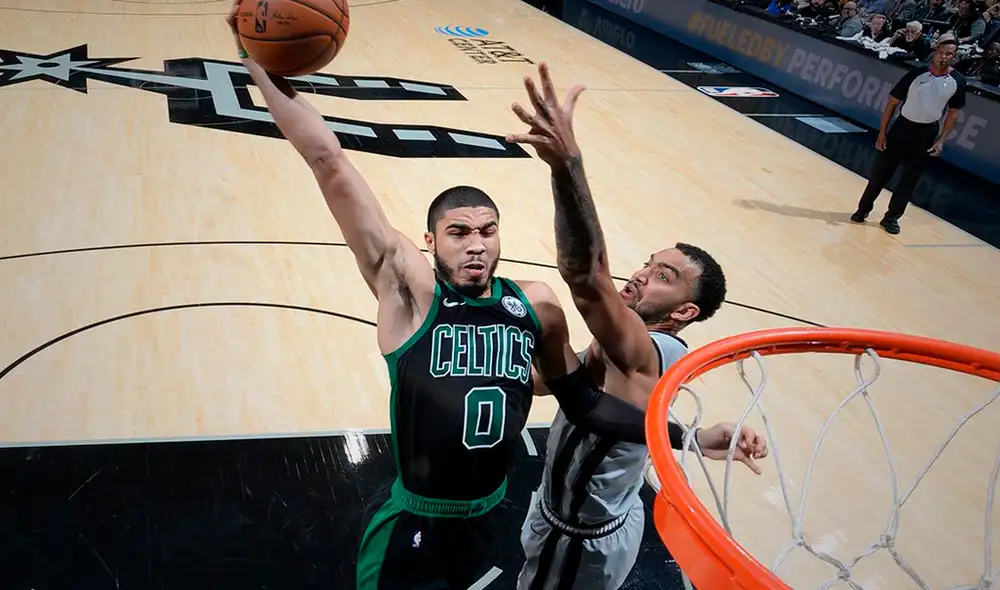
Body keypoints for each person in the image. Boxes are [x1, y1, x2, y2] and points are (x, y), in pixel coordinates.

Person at [221, 5, 626, 589]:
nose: (476, 246)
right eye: (459, 233)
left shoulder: (534, 303)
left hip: (494, 515)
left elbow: (578, 400)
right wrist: (252, 57)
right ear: (431, 241)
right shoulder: (408, 293)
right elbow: (327, 160)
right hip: (415, 523)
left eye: (487, 231)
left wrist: (678, 434)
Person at [506, 63, 768, 590]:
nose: (643, 273)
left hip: (582, 536)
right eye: (650, 261)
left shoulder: (642, 349)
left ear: (685, 311)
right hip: (564, 516)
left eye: (664, 276)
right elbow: (565, 385)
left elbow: (583, 274)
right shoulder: (626, 344)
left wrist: (566, 165)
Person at [851, 37, 966, 235]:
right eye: (942, 52)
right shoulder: (917, 73)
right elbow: (892, 104)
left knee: (910, 178)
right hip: (902, 127)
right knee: (881, 173)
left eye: (950, 54)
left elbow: (953, 113)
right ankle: (863, 209)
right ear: (935, 51)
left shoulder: (958, 81)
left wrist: (941, 140)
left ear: (954, 57)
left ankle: (892, 218)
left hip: (927, 132)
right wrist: (882, 134)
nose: (945, 57)